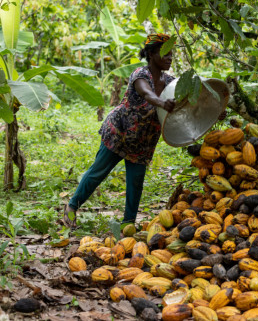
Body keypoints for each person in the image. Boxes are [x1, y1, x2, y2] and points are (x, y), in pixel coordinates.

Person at [63, 33, 176, 228]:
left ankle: (128, 224)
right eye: (164, 53)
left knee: (135, 183)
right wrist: (161, 102)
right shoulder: (140, 74)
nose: (169, 57)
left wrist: (213, 111)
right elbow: (146, 93)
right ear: (150, 54)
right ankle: (72, 207)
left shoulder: (170, 82)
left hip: (143, 141)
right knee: (98, 172)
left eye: (171, 53)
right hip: (119, 132)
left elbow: (189, 101)